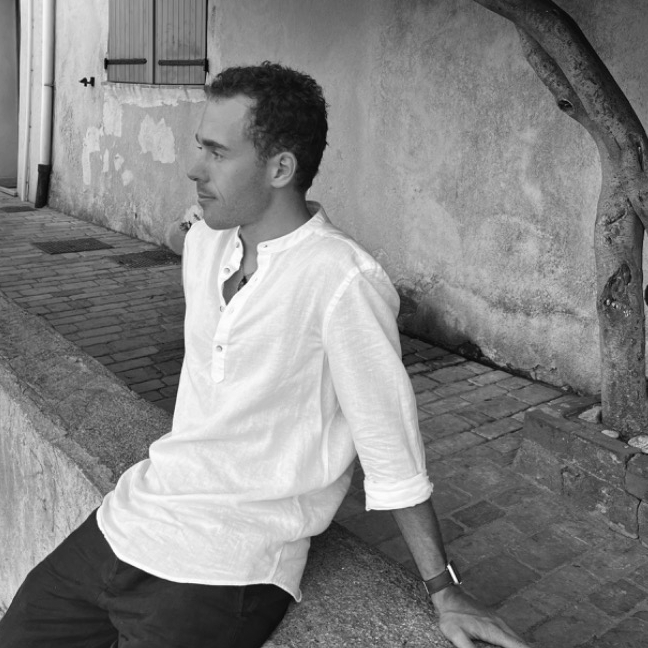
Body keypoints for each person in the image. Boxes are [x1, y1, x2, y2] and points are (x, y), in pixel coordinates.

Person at [0, 62, 529, 648]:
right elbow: (183, 235)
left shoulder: (342, 280)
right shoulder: (210, 240)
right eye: (200, 146)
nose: (194, 168)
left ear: (280, 168)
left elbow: (390, 445)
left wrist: (444, 588)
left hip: (226, 567)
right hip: (129, 519)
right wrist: (184, 226)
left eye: (217, 153)